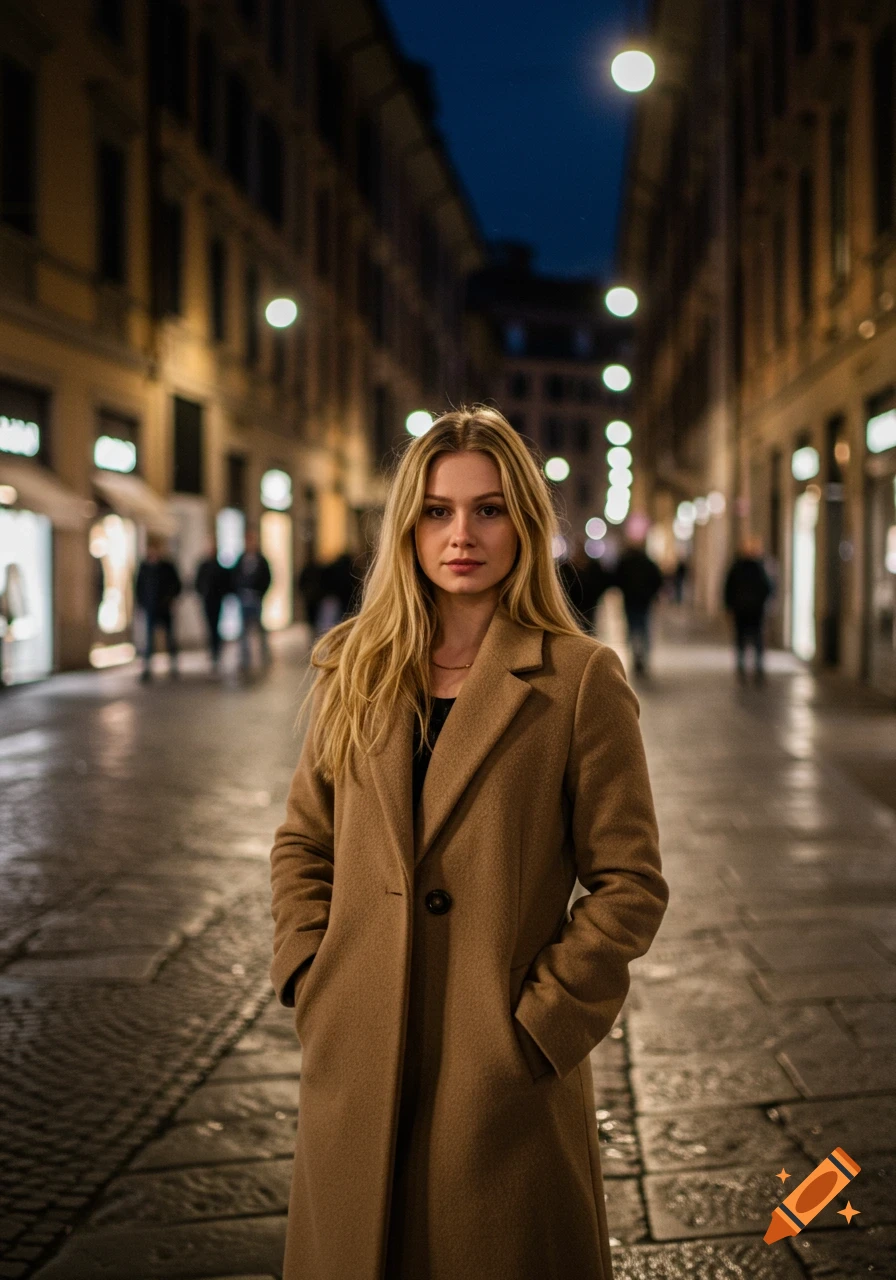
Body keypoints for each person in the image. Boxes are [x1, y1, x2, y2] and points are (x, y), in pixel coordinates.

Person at [269, 405, 669, 1280]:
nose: (463, 534)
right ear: (407, 526)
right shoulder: (356, 664)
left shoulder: (577, 678)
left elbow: (630, 882)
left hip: (498, 1074)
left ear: (524, 523)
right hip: (357, 1053)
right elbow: (304, 841)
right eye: (439, 511)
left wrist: (540, 1027)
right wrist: (311, 974)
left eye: (489, 509)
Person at [724, 534, 774, 683]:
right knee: (756, 638)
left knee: (741, 639)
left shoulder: (737, 567)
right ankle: (757, 668)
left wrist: (729, 605)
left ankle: (743, 668)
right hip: (754, 610)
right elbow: (767, 588)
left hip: (741, 609)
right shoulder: (759, 568)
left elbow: (728, 589)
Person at [613, 536, 664, 675]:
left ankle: (635, 656)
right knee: (644, 629)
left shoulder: (626, 562)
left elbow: (617, 578)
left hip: (630, 600)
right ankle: (643, 657)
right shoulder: (648, 562)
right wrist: (652, 593)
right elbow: (658, 579)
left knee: (632, 628)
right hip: (644, 601)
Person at [135, 538, 181, 681]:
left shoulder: (167, 566)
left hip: (165, 608)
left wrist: (171, 599)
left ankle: (173, 666)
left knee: (169, 637)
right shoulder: (144, 567)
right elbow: (138, 587)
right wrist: (142, 604)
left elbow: (177, 585)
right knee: (149, 640)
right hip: (150, 608)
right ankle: (147, 668)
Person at [233, 527, 272, 673]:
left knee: (260, 629)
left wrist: (261, 593)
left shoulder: (261, 560)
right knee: (243, 631)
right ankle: (245, 660)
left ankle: (264, 657)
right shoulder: (241, 559)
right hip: (244, 597)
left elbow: (267, 578)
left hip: (256, 598)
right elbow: (235, 577)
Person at [194, 539, 233, 673]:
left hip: (217, 600)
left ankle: (216, 651)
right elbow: (198, 582)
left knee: (215, 626)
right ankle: (213, 651)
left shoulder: (219, 566)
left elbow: (227, 582)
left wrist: (223, 593)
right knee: (209, 627)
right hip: (207, 600)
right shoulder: (204, 565)